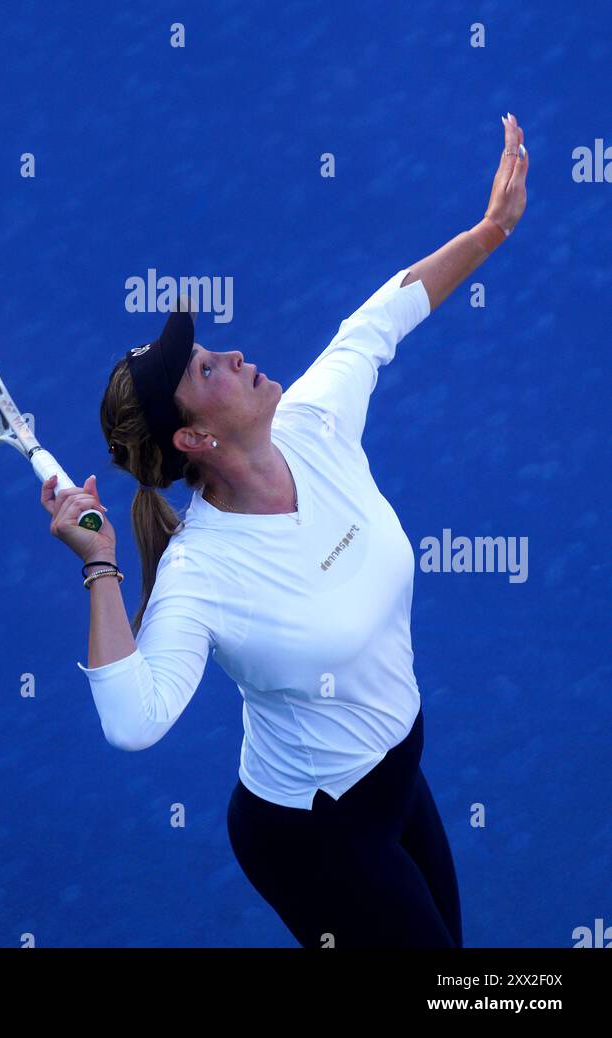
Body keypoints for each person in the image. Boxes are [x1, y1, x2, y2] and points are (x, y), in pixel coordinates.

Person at [41, 114, 529, 948]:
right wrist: (100, 566)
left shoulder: (313, 422)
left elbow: (377, 322)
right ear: (192, 439)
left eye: (211, 350)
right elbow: (133, 720)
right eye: (205, 370)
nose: (230, 355)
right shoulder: (204, 573)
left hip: (398, 770)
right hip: (313, 834)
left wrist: (489, 232)